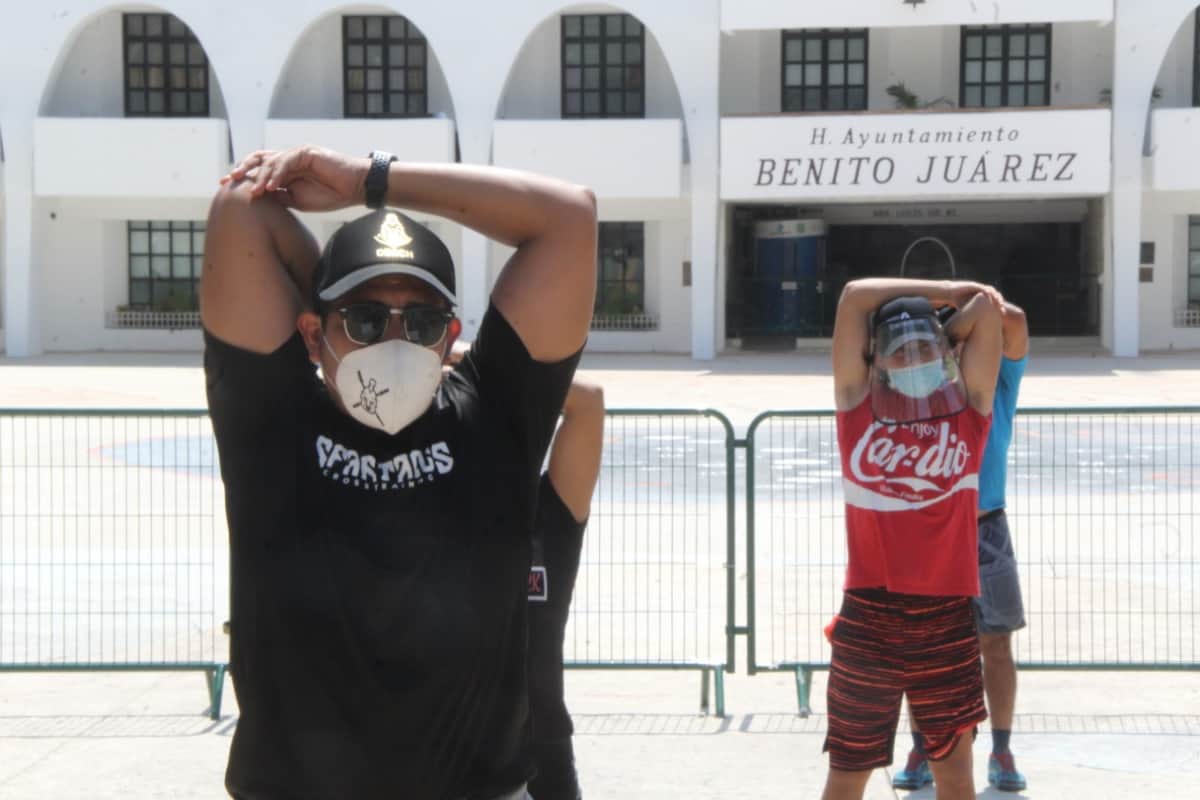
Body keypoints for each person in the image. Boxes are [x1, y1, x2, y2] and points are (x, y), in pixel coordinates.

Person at [200, 145, 596, 800]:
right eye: (363, 320)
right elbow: (242, 206)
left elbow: (569, 218)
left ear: (450, 335)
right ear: (312, 334)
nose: (394, 342)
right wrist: (333, 268)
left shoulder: (495, 415)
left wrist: (369, 181)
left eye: (421, 321)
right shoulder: (272, 420)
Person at [823, 278, 1003, 800]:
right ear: (876, 357)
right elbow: (853, 296)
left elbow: (986, 310)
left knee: (956, 776)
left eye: (924, 349)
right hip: (869, 615)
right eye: (900, 350)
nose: (914, 359)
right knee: (847, 774)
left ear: (943, 351)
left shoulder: (968, 411)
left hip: (945, 617)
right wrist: (946, 289)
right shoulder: (857, 407)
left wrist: (945, 324)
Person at [445, 349, 605, 800]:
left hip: (542, 753)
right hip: (448, 754)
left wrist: (474, 366)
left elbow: (588, 401)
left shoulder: (549, 513)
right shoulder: (431, 507)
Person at [893, 300, 1030, 793]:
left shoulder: (998, 382)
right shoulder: (921, 383)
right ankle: (924, 746)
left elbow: (1012, 320)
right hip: (928, 531)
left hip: (984, 527)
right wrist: (939, 332)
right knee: (923, 649)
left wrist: (960, 306)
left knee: (996, 644)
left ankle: (1001, 747)